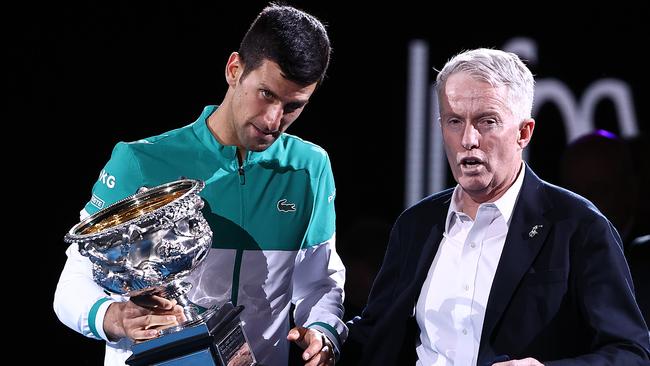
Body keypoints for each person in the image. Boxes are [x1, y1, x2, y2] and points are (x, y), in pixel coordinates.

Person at [53, 4, 345, 366]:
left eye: (293, 106)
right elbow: (72, 283)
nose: (274, 120)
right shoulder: (139, 162)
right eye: (267, 94)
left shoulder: (310, 168)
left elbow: (319, 283)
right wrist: (111, 316)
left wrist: (323, 329)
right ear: (234, 69)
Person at [341, 48, 650, 365]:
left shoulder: (579, 227)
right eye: (454, 121)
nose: (468, 139)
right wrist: (325, 339)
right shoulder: (416, 224)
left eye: (486, 121)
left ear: (523, 133)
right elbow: (376, 333)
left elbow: (630, 353)